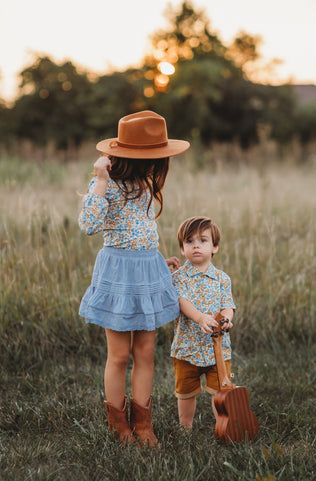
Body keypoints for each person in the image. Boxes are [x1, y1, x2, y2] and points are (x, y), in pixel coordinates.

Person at [78, 110, 189, 447]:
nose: (157, 163)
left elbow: (140, 231)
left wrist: (158, 261)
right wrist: (99, 179)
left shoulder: (144, 184)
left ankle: (143, 424)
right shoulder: (105, 185)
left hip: (148, 270)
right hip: (118, 274)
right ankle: (119, 425)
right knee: (119, 356)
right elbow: (88, 225)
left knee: (145, 352)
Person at [171, 216, 236, 429]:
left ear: (214, 247)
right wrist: (200, 318)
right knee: (186, 392)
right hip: (187, 347)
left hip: (216, 348)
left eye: (203, 240)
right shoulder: (179, 278)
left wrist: (226, 319)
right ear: (182, 249)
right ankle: (185, 427)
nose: (196, 245)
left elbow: (228, 305)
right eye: (189, 241)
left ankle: (222, 425)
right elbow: (182, 302)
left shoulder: (222, 279)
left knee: (221, 391)